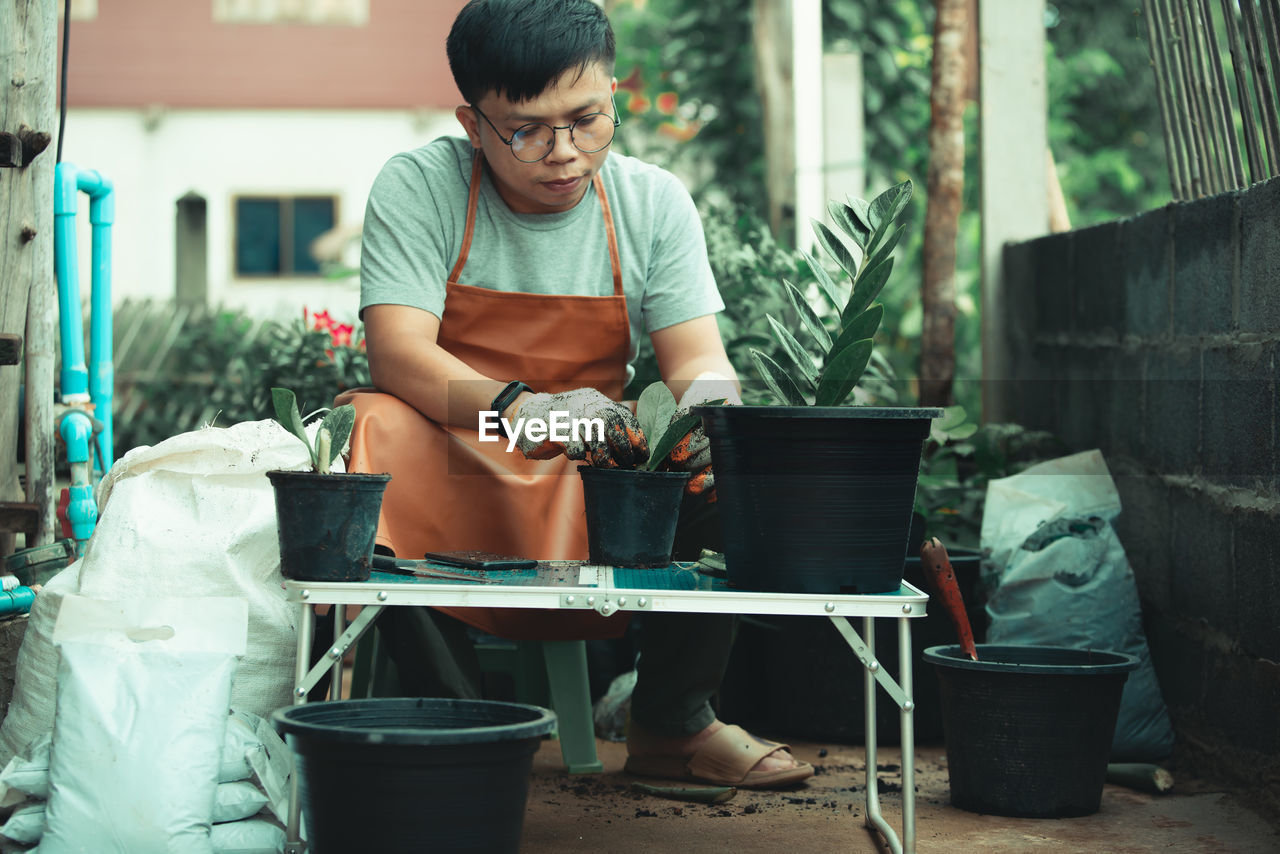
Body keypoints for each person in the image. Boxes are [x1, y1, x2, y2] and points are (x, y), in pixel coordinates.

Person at [336, 0, 812, 788]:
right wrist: (524, 410)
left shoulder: (652, 201)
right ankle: (450, 724)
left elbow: (698, 359)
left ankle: (674, 722)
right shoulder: (420, 186)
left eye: (587, 120)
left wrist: (706, 419)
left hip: (589, 470)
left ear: (614, 95)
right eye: (526, 129)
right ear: (472, 122)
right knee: (366, 428)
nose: (563, 153)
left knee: (731, 457)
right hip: (449, 454)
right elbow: (398, 353)